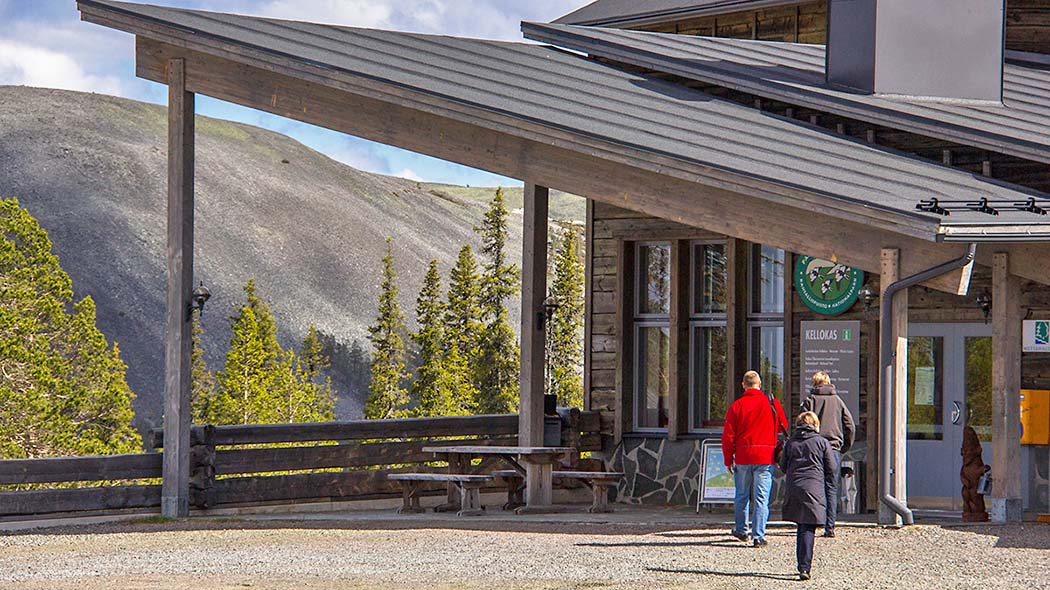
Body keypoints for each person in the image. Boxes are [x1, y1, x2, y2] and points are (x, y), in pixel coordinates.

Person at [721, 370, 788, 547]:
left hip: (743, 456)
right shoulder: (771, 403)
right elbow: (784, 425)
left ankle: (742, 530)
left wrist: (728, 460)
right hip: (765, 457)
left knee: (741, 495)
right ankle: (758, 536)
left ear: (743, 385)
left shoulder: (736, 406)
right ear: (759, 384)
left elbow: (728, 436)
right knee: (761, 498)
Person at [781, 411, 836, 581]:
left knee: (801, 525)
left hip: (794, 487)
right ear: (815, 425)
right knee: (808, 527)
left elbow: (783, 465)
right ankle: (805, 567)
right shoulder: (822, 442)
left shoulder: (790, 443)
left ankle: (802, 565)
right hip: (813, 487)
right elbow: (832, 467)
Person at [800, 371, 855, 537]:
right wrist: (845, 446)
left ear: (814, 383)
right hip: (833, 448)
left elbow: (802, 424)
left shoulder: (810, 401)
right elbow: (850, 426)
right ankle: (830, 526)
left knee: (813, 487)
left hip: (814, 448)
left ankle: (814, 522)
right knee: (831, 488)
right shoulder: (838, 401)